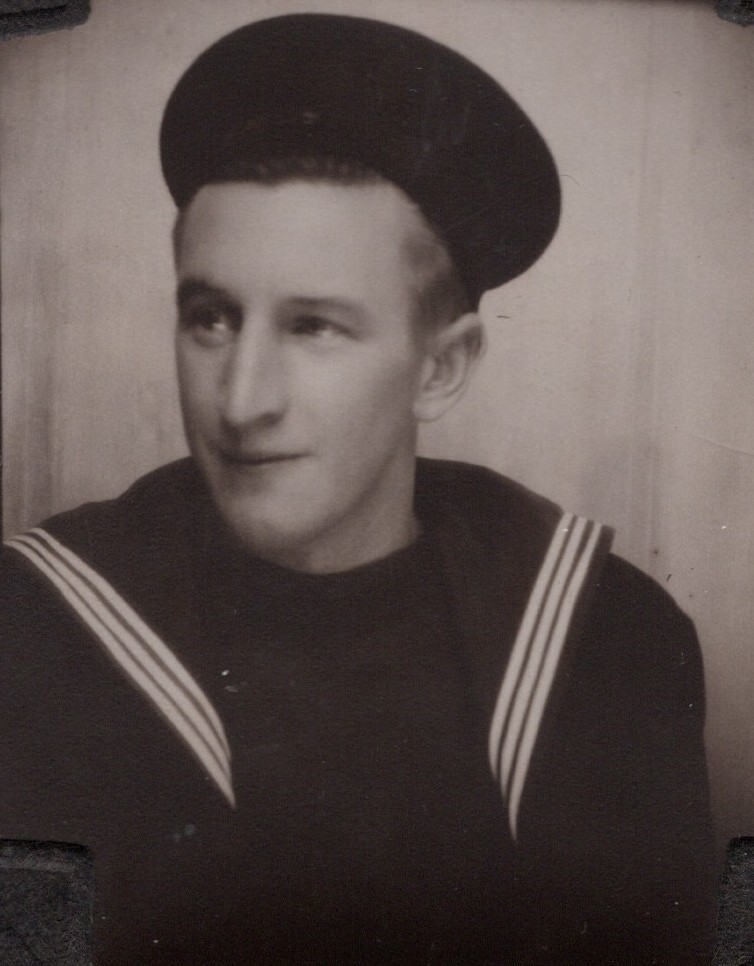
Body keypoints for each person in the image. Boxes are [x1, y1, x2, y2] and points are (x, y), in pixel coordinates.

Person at [0, 13, 716, 965]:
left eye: (315, 328)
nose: (241, 401)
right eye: (211, 317)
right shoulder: (34, 629)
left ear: (441, 370)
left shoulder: (612, 643)